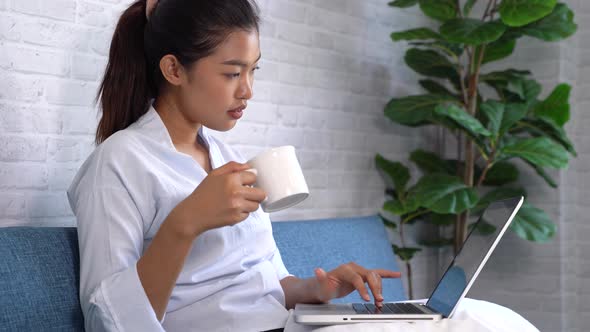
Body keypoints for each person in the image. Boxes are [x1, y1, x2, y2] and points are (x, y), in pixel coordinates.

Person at [66, 0, 401, 331]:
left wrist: (318, 289)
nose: (247, 90)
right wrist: (185, 223)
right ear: (174, 70)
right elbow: (107, 319)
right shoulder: (118, 164)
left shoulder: (229, 160)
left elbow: (267, 283)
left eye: (253, 70)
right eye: (232, 73)